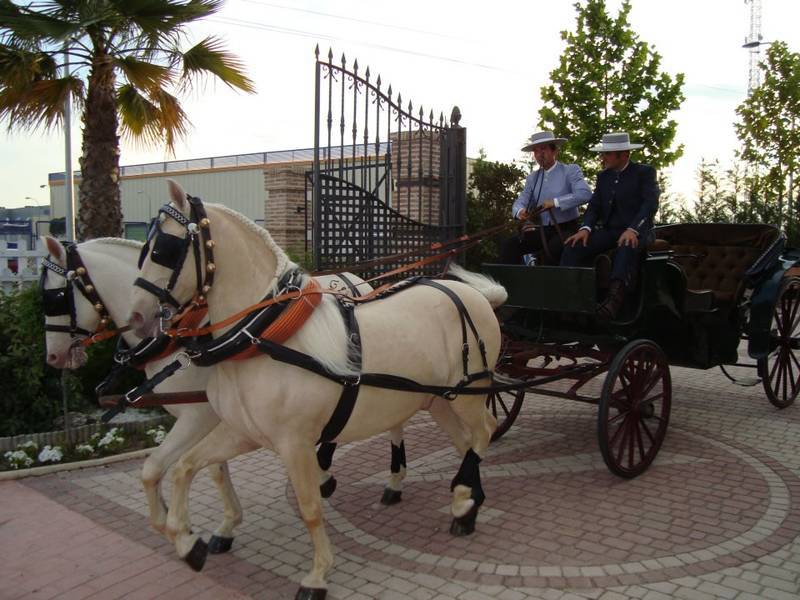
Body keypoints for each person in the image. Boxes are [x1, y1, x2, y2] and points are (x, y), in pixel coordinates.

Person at [560, 132, 660, 320]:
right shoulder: (604, 176)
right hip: (610, 230)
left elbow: (649, 204)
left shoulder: (644, 173)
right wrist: (585, 228)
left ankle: (614, 302)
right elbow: (595, 206)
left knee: (626, 245)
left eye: (607, 154)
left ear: (624, 155)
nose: (602, 158)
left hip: (637, 230)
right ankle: (571, 301)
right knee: (572, 246)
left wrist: (633, 229)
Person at [499, 131, 592, 265]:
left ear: (555, 151)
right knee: (510, 245)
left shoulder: (570, 170)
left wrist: (556, 202)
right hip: (543, 230)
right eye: (536, 151)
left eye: (543, 149)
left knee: (554, 248)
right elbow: (521, 201)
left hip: (567, 228)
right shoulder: (532, 178)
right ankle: (509, 284)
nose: (539, 154)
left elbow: (585, 194)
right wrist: (520, 212)